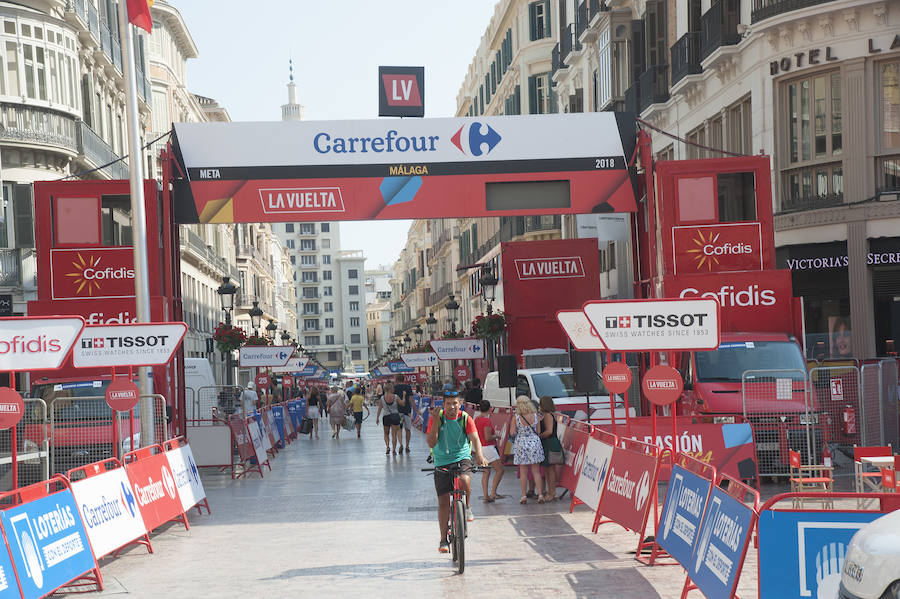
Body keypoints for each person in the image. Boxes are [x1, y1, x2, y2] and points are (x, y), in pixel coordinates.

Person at [426, 390, 488, 553]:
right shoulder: (437, 418)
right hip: (442, 461)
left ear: (460, 404)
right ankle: (442, 540)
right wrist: (434, 420)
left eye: (455, 403)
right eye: (448, 404)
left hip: (462, 458)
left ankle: (466, 507)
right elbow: (431, 443)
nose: (452, 407)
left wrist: (480, 456)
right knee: (443, 502)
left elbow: (475, 438)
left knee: (464, 480)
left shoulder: (465, 418)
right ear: (443, 405)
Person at [510, 395, 545, 504]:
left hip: (521, 443)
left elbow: (512, 433)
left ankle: (524, 495)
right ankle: (540, 494)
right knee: (536, 471)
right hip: (534, 443)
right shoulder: (535, 416)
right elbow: (538, 431)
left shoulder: (516, 417)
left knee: (524, 472)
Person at [474, 399, 504, 502]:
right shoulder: (486, 420)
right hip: (488, 448)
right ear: (490, 409)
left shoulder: (477, 419)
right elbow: (488, 437)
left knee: (486, 472)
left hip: (480, 448)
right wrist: (497, 435)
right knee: (500, 470)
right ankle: (492, 493)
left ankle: (486, 496)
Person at [538, 396, 563, 502]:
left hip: (549, 443)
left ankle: (552, 492)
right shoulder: (550, 415)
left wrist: (539, 436)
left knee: (550, 469)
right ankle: (551, 491)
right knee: (548, 469)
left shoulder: (548, 416)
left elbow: (549, 431)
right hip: (549, 442)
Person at [376, 383, 401, 454]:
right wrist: (404, 396)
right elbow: (402, 403)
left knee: (386, 433)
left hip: (386, 416)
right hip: (395, 416)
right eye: (392, 388)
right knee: (394, 434)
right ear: (390, 389)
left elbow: (379, 409)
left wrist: (377, 418)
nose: (394, 389)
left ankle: (387, 447)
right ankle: (394, 450)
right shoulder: (396, 397)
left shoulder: (382, 398)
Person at [394, 374, 414, 453]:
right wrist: (416, 410)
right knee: (408, 429)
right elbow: (411, 399)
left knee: (399, 429)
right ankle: (407, 446)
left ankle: (401, 444)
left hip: (398, 411)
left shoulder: (395, 388)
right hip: (407, 411)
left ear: (397, 380)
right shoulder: (408, 387)